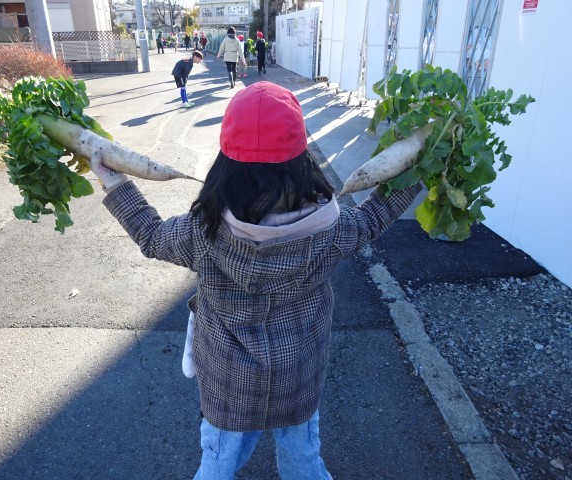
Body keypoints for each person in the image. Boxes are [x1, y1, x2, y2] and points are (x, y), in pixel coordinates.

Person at [88, 81, 422, 479]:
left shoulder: (203, 231)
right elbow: (372, 218)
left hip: (230, 383)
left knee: (218, 462)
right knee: (303, 458)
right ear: (302, 157)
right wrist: (419, 170)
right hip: (298, 375)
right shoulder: (332, 227)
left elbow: (151, 235)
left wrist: (115, 182)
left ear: (226, 159)